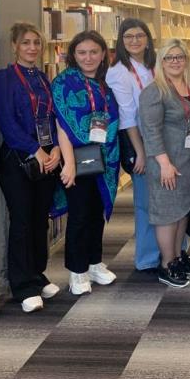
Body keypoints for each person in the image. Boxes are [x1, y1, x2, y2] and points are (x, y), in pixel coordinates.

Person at [0, 23, 61, 313]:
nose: (32, 48)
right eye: (25, 43)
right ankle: (22, 286)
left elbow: (53, 117)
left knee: (40, 219)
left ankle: (36, 274)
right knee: (21, 221)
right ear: (15, 46)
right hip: (18, 160)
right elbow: (7, 123)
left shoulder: (43, 78)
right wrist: (36, 150)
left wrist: (56, 148)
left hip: (47, 158)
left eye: (36, 42)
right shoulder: (4, 79)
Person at [52, 30, 120, 296]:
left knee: (96, 213)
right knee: (79, 215)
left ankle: (94, 263)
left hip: (103, 159)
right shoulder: (64, 82)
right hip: (77, 158)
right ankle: (77, 271)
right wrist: (68, 163)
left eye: (94, 52)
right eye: (82, 52)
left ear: (103, 54)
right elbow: (61, 125)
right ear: (73, 55)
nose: (88, 57)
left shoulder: (104, 83)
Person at [139, 39, 190, 288]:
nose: (175, 61)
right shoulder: (154, 91)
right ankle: (166, 264)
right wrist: (164, 163)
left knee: (182, 210)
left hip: (187, 161)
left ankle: (177, 256)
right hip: (165, 162)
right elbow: (151, 131)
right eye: (169, 57)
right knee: (166, 214)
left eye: (179, 57)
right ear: (161, 62)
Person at [106, 18, 160, 272]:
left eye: (139, 35)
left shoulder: (155, 64)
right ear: (121, 41)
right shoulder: (118, 72)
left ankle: (173, 251)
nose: (135, 41)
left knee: (170, 199)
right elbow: (127, 117)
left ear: (148, 39)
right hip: (141, 140)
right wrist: (140, 152)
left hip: (164, 137)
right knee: (146, 203)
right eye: (128, 36)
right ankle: (148, 259)